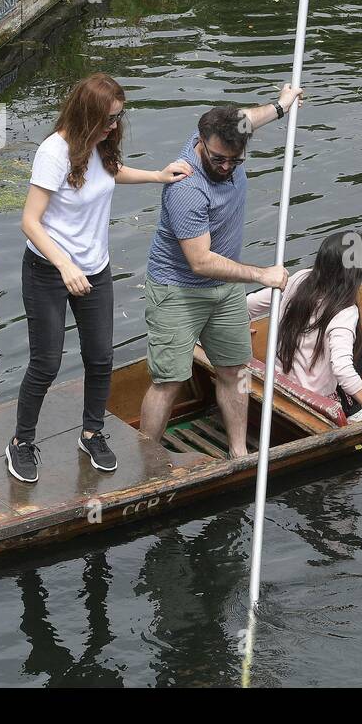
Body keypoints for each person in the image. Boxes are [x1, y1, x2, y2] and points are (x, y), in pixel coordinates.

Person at [7, 73, 194, 483]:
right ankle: (21, 442)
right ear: (88, 115)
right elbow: (30, 221)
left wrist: (158, 176)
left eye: (119, 116)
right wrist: (65, 265)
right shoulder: (53, 153)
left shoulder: (101, 144)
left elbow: (112, 172)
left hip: (95, 268)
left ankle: (91, 433)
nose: (115, 125)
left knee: (100, 357)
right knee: (46, 362)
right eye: (109, 117)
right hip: (48, 271)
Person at [138, 84, 304, 455]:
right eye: (218, 159)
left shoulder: (229, 135)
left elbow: (248, 117)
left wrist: (280, 106)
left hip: (225, 289)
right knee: (170, 380)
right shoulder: (186, 186)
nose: (226, 167)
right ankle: (145, 464)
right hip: (178, 291)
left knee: (236, 370)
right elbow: (200, 262)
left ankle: (238, 453)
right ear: (201, 142)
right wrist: (262, 275)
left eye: (235, 161)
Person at [245, 230, 362, 426]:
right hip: (316, 400)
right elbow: (342, 369)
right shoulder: (344, 312)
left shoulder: (300, 279)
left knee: (360, 342)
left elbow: (246, 305)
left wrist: (242, 330)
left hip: (281, 384)